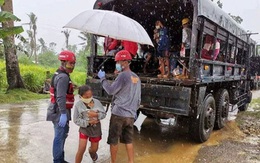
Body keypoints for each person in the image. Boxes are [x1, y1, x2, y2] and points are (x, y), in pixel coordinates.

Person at [97, 50, 141, 163]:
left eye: (118, 61)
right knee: (128, 141)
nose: (116, 63)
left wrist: (103, 79)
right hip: (130, 115)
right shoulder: (136, 77)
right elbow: (138, 99)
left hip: (119, 114)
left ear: (125, 62)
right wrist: (134, 112)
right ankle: (131, 162)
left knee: (113, 140)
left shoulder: (123, 76)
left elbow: (111, 91)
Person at [46, 50, 76, 163]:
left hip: (57, 109)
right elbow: (60, 97)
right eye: (70, 63)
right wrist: (63, 113)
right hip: (59, 110)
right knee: (59, 136)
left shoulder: (59, 73)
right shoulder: (63, 77)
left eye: (73, 63)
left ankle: (60, 159)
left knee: (62, 134)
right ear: (63, 62)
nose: (72, 66)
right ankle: (58, 160)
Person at [73, 85, 106, 163]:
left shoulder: (97, 102)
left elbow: (104, 114)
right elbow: (76, 119)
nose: (88, 98)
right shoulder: (78, 105)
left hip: (96, 128)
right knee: (81, 148)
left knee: (94, 149)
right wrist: (87, 122)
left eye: (90, 96)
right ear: (81, 96)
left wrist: (96, 115)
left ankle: (92, 153)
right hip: (84, 128)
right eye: (86, 97)